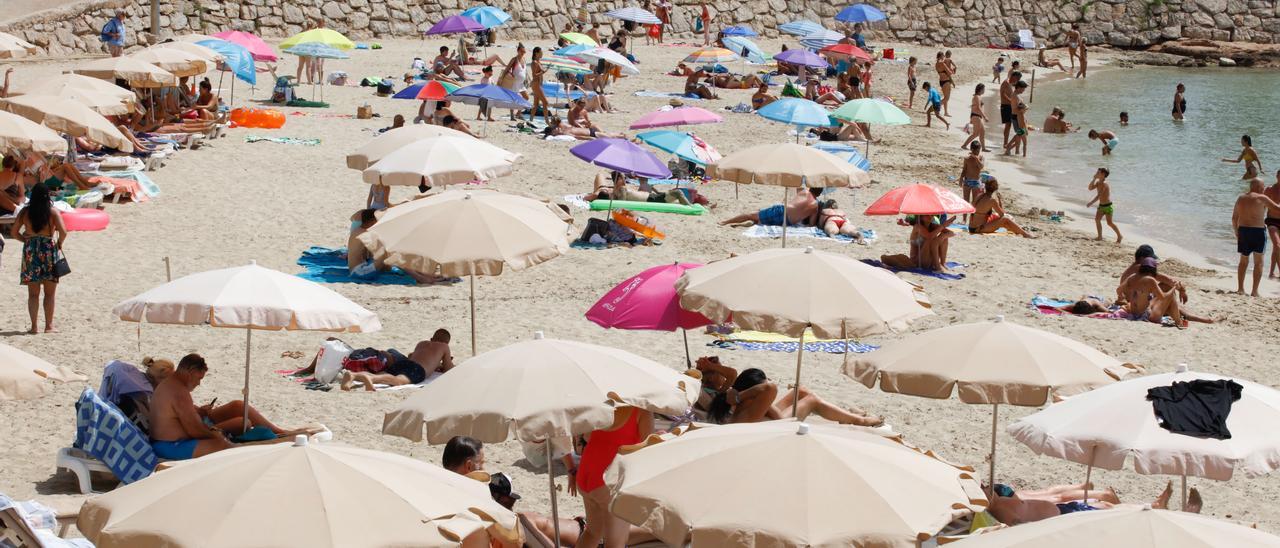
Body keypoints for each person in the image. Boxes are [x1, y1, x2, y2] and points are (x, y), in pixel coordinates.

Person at [150, 354, 305, 460]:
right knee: (222, 445)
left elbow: (180, 416)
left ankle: (280, 432)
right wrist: (215, 434)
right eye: (199, 378)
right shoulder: (179, 392)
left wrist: (201, 415)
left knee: (236, 410)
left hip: (174, 439)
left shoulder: (173, 385)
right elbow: (194, 430)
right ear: (190, 372)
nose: (198, 383)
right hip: (170, 445)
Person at [573, 405, 652, 548]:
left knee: (592, 532)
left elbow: (588, 436)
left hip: (587, 471)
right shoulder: (642, 410)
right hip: (610, 477)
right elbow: (648, 448)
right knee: (615, 543)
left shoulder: (603, 404)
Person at [706, 367, 883, 426]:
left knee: (802, 391)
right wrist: (739, 395)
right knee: (811, 400)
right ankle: (860, 421)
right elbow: (771, 388)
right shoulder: (745, 410)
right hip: (779, 425)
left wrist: (739, 395)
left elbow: (767, 391)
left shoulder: (747, 406)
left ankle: (849, 416)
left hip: (773, 420)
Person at [988, 481, 1199, 525]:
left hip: (1063, 512)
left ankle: (1154, 507)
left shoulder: (995, 499)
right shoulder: (996, 508)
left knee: (1111, 509)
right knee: (1112, 511)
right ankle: (1159, 509)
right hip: (1063, 519)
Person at [11, 184, 65, 334]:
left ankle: (34, 327)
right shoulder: (52, 212)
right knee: (50, 294)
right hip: (48, 248)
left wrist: (26, 241)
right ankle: (48, 326)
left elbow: (14, 232)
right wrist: (59, 243)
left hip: (31, 251)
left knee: (33, 294)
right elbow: (64, 231)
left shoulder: (25, 212)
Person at [340, 328, 455, 390]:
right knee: (398, 380)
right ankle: (369, 379)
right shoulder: (444, 346)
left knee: (383, 373)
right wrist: (443, 362)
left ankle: (354, 375)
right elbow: (448, 368)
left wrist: (436, 364)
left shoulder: (422, 343)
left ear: (431, 338)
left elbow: (412, 356)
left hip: (405, 363)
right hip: (417, 370)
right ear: (446, 342)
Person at [1232, 177, 1280, 296]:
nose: (1264, 189)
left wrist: (1236, 232)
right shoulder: (1261, 197)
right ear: (1258, 187)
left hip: (1243, 231)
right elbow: (1277, 209)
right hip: (1257, 232)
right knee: (1258, 262)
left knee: (1243, 261)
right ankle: (1254, 291)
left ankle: (1240, 289)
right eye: (1263, 187)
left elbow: (1234, 218)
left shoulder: (1241, 198)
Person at [1117, 258, 1187, 326]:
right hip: (1145, 315)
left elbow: (1118, 290)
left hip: (1133, 312)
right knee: (1170, 295)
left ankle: (1178, 319)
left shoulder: (1132, 277)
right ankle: (1178, 321)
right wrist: (1174, 288)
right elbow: (1162, 297)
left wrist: (1122, 297)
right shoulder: (1150, 280)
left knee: (1162, 292)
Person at [718, 187, 821, 227]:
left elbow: (797, 185)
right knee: (757, 219)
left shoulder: (805, 191)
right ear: (819, 194)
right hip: (788, 223)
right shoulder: (816, 206)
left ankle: (725, 222)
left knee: (752, 214)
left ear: (811, 187)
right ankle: (750, 223)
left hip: (782, 211)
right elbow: (811, 224)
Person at [969, 178, 1034, 237]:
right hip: (978, 229)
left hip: (971, 227)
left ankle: (1019, 232)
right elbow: (1002, 215)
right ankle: (1025, 234)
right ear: (995, 188)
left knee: (1004, 223)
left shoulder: (979, 196)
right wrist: (999, 201)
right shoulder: (992, 200)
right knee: (1005, 219)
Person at [1087, 168, 1122, 243]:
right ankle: (1100, 236)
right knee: (1097, 220)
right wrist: (1094, 179)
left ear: (1103, 174)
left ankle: (1119, 236)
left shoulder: (1104, 184)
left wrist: (1091, 203)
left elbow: (1099, 196)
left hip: (1108, 206)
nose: (1096, 173)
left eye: (1098, 172)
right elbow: (1090, 188)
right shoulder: (1098, 182)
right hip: (1101, 206)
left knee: (1109, 223)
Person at [502, 44, 528, 121]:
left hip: (521, 83)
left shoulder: (524, 59)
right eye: (522, 51)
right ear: (518, 51)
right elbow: (507, 69)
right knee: (513, 99)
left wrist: (525, 78)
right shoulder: (514, 59)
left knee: (526, 97)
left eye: (524, 51)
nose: (523, 53)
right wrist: (502, 79)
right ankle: (512, 116)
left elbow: (524, 71)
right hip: (514, 83)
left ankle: (518, 113)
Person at [1003, 81, 1029, 156]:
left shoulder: (1017, 95)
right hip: (1017, 117)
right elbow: (1018, 109)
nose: (1024, 90)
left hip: (1019, 116)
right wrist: (1026, 107)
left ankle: (1015, 151)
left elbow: (1020, 107)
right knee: (1019, 135)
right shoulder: (1015, 96)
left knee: (1019, 135)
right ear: (1019, 88)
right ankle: (1009, 147)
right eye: (1023, 89)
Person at [959, 141, 984, 216]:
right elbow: (964, 169)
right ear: (971, 150)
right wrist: (961, 178)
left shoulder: (981, 158)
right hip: (967, 181)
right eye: (976, 151)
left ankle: (972, 219)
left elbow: (981, 167)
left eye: (978, 150)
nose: (977, 152)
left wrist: (976, 158)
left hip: (976, 182)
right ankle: (964, 219)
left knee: (974, 202)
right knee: (965, 201)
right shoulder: (967, 159)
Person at [961, 83, 988, 150]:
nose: (984, 90)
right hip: (976, 116)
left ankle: (984, 148)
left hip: (977, 116)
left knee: (982, 132)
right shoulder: (977, 97)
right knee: (976, 133)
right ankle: (964, 145)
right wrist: (984, 117)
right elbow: (978, 108)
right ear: (981, 89)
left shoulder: (978, 96)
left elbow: (974, 107)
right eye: (984, 89)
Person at [999, 71, 1021, 148]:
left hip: (1009, 106)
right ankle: (1005, 143)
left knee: (1009, 125)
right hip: (1005, 106)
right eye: (1017, 78)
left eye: (1019, 79)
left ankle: (1006, 142)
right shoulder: (1006, 82)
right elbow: (1003, 94)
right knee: (1008, 125)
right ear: (1013, 76)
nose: (1017, 80)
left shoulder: (1010, 83)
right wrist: (1011, 101)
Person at [1266, 170, 1280, 278]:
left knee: (1277, 248)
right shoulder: (1270, 189)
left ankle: (1271, 273)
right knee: (1277, 245)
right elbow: (1261, 204)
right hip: (1272, 221)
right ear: (1277, 176)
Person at [529, 47, 548, 118]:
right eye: (541, 52)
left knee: (536, 105)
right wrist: (542, 72)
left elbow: (540, 72)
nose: (542, 53)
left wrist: (545, 70)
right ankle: (547, 121)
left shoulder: (539, 62)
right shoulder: (534, 63)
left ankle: (531, 119)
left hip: (539, 84)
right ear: (536, 53)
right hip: (536, 84)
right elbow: (534, 75)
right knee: (545, 102)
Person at [933, 51, 953, 118]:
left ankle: (946, 112)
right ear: (941, 56)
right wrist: (952, 70)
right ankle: (935, 107)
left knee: (945, 97)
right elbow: (949, 73)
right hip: (946, 81)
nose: (944, 56)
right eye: (943, 55)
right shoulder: (942, 63)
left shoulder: (936, 64)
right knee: (947, 98)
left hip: (941, 81)